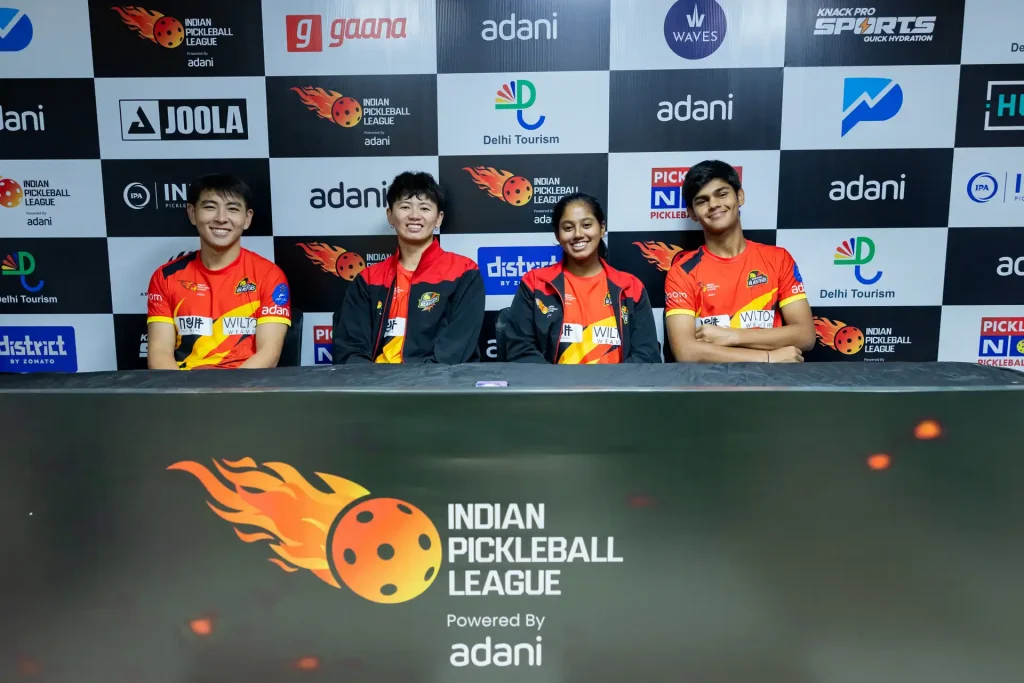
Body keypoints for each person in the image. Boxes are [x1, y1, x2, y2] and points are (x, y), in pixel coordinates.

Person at [664, 160, 815, 363]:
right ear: (691, 213)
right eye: (702, 201)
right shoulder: (682, 272)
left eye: (722, 194)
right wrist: (768, 357)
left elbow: (805, 335)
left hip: (771, 381)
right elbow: (686, 352)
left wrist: (732, 336)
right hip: (711, 381)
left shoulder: (778, 259)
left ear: (740, 196)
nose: (714, 204)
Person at [332, 171, 484, 364]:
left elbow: (455, 349)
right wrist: (371, 379)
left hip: (437, 380)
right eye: (405, 207)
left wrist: (417, 380)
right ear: (390, 216)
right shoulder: (368, 278)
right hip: (375, 380)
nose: (414, 216)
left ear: (439, 218)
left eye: (425, 208)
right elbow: (350, 348)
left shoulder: (464, 272)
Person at [146, 174, 291, 370]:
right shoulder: (166, 276)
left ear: (247, 219)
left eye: (232, 209)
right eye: (210, 207)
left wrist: (227, 389)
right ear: (192, 213)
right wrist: (185, 388)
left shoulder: (269, 275)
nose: (221, 218)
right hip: (184, 384)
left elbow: (268, 354)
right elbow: (159, 353)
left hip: (246, 385)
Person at [504, 193, 661, 364]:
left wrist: (611, 381)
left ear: (602, 228)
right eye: (568, 228)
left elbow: (646, 355)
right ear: (557, 235)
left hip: (617, 382)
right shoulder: (535, 283)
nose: (578, 234)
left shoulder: (630, 287)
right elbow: (520, 350)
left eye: (586, 225)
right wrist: (557, 380)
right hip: (552, 381)